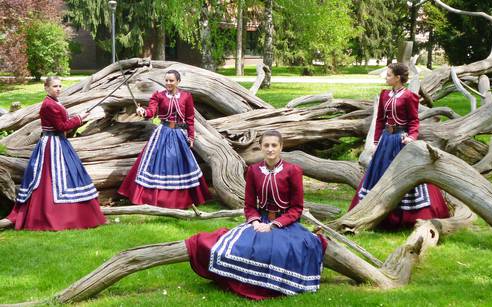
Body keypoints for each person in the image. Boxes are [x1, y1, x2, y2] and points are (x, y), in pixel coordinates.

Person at [186, 130, 326, 299]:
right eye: (266, 145)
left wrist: (274, 225)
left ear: (281, 147)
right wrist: (255, 222)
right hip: (260, 221)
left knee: (282, 250)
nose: (270, 149)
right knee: (241, 247)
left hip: (285, 223)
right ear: (260, 147)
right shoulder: (253, 170)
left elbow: (296, 208)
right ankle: (243, 282)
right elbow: (250, 205)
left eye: (274, 145)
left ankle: (275, 286)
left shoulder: (293, 171)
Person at [348, 63, 449, 229]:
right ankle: (376, 214)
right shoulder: (384, 95)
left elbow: (414, 121)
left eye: (389, 75)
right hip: (386, 141)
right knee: (379, 174)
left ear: (398, 78)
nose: (386, 77)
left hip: (401, 140)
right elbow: (380, 120)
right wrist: (375, 142)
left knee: (403, 175)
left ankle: (408, 216)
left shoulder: (409, 96)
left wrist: (411, 137)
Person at [4, 76, 106, 231]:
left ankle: (73, 215)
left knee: (66, 176)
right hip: (52, 144)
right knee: (50, 179)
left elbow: (61, 123)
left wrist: (79, 117)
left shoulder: (54, 102)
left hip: (58, 143)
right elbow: (61, 126)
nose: (58, 89)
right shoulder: (48, 105)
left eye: (60, 86)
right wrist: (80, 118)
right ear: (46, 88)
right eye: (54, 86)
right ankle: (52, 216)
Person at [118, 70, 210, 209]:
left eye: (171, 81)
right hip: (163, 133)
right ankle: (154, 199)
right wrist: (144, 112)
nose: (168, 83)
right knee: (158, 164)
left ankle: (181, 200)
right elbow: (151, 111)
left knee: (179, 164)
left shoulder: (186, 96)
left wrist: (191, 136)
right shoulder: (159, 96)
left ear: (178, 81)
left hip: (179, 134)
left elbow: (190, 118)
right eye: (166, 80)